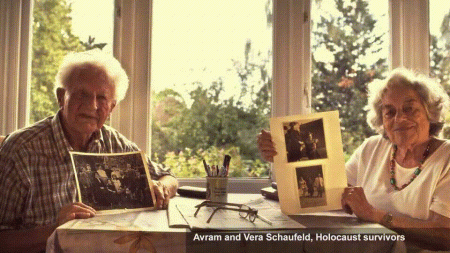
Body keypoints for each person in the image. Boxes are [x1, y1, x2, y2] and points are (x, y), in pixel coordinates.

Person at [0, 50, 178, 252]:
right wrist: (56, 230)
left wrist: (161, 187)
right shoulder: (21, 150)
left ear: (111, 108)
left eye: (101, 98)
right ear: (61, 97)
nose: (92, 105)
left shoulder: (114, 144)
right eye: (82, 94)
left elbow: (168, 175)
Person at [257, 68, 450, 250]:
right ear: (381, 119)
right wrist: (282, 154)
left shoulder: (446, 157)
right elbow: (328, 192)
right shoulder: (372, 148)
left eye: (409, 109)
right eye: (389, 112)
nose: (399, 118)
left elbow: (444, 235)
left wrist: (375, 215)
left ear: (430, 112)